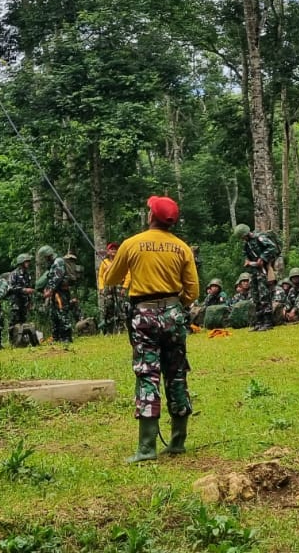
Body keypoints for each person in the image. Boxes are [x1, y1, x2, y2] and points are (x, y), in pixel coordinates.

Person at [101, 195, 199, 463]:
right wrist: (176, 308)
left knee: (148, 374)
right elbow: (192, 290)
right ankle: (178, 442)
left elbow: (112, 279)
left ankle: (146, 449)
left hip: (143, 314)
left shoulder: (132, 244)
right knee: (177, 373)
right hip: (174, 313)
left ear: (151, 217)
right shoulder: (182, 248)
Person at [233, 223, 279, 331]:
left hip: (263, 269)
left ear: (247, 233)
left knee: (264, 293)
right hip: (253, 270)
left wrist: (262, 258)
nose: (242, 239)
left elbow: (272, 247)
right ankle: (259, 321)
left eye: (243, 236)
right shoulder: (246, 243)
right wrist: (247, 261)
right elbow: (245, 254)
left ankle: (268, 321)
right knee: (255, 295)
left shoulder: (259, 237)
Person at [5, 253, 36, 346]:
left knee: (23, 321)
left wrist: (30, 301)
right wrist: (23, 290)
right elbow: (10, 288)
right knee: (14, 322)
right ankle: (12, 341)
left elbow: (29, 288)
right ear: (21, 262)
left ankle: (22, 341)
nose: (28, 263)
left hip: (24, 302)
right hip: (16, 302)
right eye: (26, 261)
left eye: (28, 261)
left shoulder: (27, 275)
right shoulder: (14, 274)